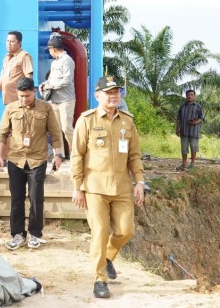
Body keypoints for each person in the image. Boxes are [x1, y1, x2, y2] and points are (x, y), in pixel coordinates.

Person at [71, 75, 145, 299]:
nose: (113, 96)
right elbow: (77, 155)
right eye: (108, 92)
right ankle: (100, 279)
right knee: (100, 232)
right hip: (94, 187)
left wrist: (140, 181)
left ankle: (108, 257)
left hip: (122, 186)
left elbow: (134, 155)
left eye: (116, 92)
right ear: (97, 96)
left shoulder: (127, 121)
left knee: (126, 230)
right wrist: (77, 186)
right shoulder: (87, 120)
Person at [0, 77, 63, 250]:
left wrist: (58, 155)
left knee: (36, 198)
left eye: (27, 95)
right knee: (16, 198)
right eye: (21, 96)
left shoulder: (46, 107)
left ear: (34, 91)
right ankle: (17, 234)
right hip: (16, 159)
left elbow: (55, 133)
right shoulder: (10, 108)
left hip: (37, 159)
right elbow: (2, 133)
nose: (24, 99)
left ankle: (34, 233)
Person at [38, 35, 75, 158]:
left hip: (66, 100)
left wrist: (51, 86)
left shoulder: (67, 60)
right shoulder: (54, 63)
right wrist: (44, 85)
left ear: (53, 49)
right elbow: (51, 79)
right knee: (56, 129)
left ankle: (76, 154)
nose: (49, 52)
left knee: (66, 128)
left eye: (49, 50)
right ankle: (59, 155)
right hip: (54, 101)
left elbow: (67, 80)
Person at [0, 31, 34, 108]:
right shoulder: (6, 58)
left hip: (20, 102)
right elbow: (2, 78)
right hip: (9, 102)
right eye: (7, 41)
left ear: (19, 43)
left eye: (12, 41)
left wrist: (25, 97)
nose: (9, 44)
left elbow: (29, 78)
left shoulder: (24, 56)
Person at [175, 89, 204, 171]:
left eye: (191, 95)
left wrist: (195, 122)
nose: (189, 96)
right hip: (183, 131)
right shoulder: (182, 107)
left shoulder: (198, 106)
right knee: (184, 148)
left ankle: (192, 164)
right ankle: (184, 164)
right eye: (188, 95)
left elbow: (201, 118)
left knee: (193, 148)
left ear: (194, 96)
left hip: (194, 132)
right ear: (186, 96)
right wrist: (177, 129)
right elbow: (178, 119)